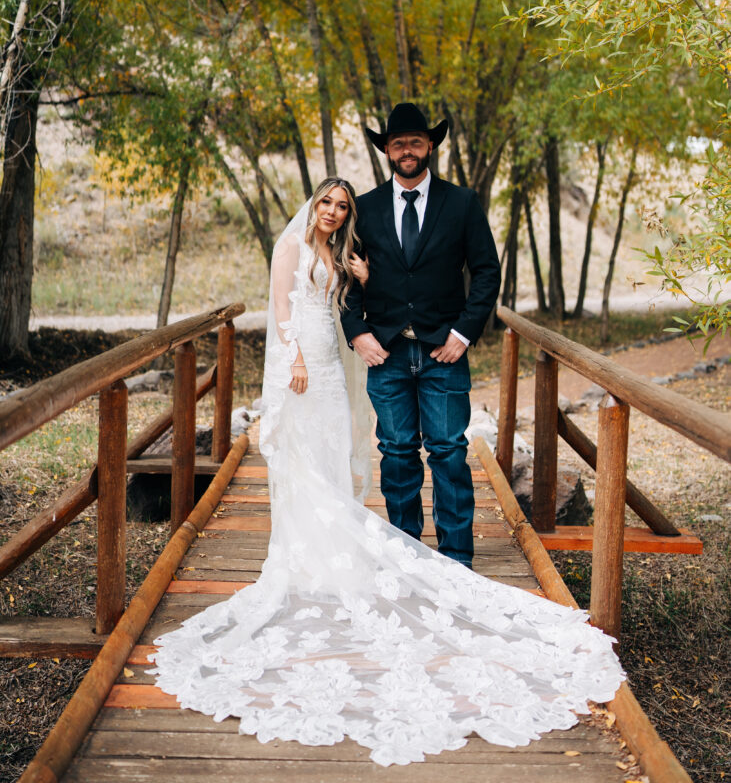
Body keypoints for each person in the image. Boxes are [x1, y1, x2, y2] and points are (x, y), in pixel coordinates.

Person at [150, 175, 623, 768]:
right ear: (314, 203)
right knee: (337, 460)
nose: (333, 211)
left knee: (409, 453)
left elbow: (375, 293)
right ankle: (305, 554)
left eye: (341, 205)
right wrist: (297, 355)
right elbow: (281, 307)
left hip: (340, 365)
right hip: (304, 365)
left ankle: (447, 553)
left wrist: (378, 291)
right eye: (326, 201)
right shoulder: (294, 245)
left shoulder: (357, 244)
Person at [341, 102, 501, 569]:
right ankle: (406, 557)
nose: (406, 150)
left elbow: (487, 272)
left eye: (415, 141)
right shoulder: (364, 208)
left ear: (430, 145)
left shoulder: (462, 203)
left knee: (450, 453)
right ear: (386, 151)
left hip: (443, 351)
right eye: (397, 143)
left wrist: (464, 333)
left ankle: (456, 560)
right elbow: (345, 275)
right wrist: (358, 333)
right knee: (395, 454)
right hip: (385, 352)